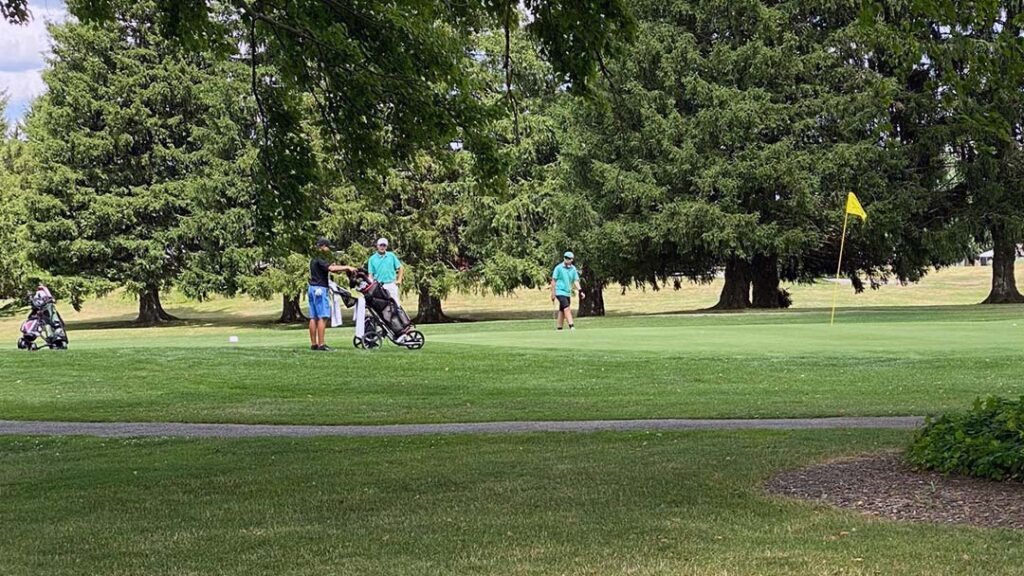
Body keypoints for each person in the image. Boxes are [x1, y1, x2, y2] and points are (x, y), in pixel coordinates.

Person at [309, 238, 356, 351]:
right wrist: (347, 267)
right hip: (320, 289)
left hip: (312, 288)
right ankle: (321, 344)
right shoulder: (320, 257)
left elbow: (328, 268)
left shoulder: (314, 258)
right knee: (322, 317)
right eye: (328, 247)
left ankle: (314, 343)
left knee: (313, 317)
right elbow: (331, 268)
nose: (328, 250)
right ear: (323, 246)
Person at [550, 251, 584, 331]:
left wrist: (580, 291)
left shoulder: (573, 268)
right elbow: (553, 281)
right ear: (564, 258)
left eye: (571, 259)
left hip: (567, 292)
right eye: (568, 259)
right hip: (559, 291)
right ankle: (571, 326)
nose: (569, 261)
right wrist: (553, 293)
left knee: (562, 309)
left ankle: (559, 328)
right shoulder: (558, 268)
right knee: (566, 308)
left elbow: (576, 281)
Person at [367, 237, 404, 305]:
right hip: (379, 286)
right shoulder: (372, 259)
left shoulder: (391, 256)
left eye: (384, 245)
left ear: (386, 247)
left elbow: (400, 267)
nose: (382, 247)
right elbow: (370, 275)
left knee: (396, 305)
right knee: (381, 306)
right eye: (380, 245)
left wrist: (399, 280)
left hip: (391, 284)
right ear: (377, 246)